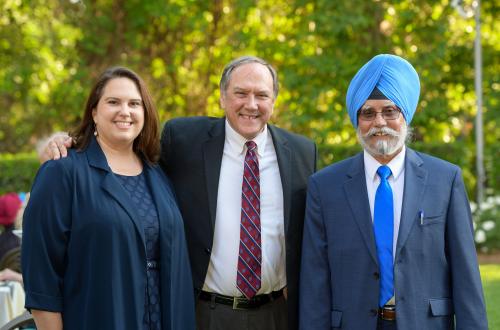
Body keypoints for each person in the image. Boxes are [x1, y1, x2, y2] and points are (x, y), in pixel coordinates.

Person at [42, 56, 317, 330]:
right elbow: (125, 156)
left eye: (262, 95)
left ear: (274, 100)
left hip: (276, 315)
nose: (251, 104)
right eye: (241, 93)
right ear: (222, 97)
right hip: (203, 313)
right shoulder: (184, 139)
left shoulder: (303, 153)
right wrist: (69, 141)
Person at [299, 54, 488, 330]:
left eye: (390, 111)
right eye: (368, 113)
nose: (379, 122)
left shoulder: (445, 180)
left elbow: (466, 276)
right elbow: (315, 281)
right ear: (357, 120)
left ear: (405, 117)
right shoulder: (324, 186)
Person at [22, 67, 195, 330]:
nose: (125, 111)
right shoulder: (62, 172)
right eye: (113, 102)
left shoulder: (159, 174)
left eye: (134, 103)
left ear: (145, 113)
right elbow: (41, 278)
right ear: (94, 111)